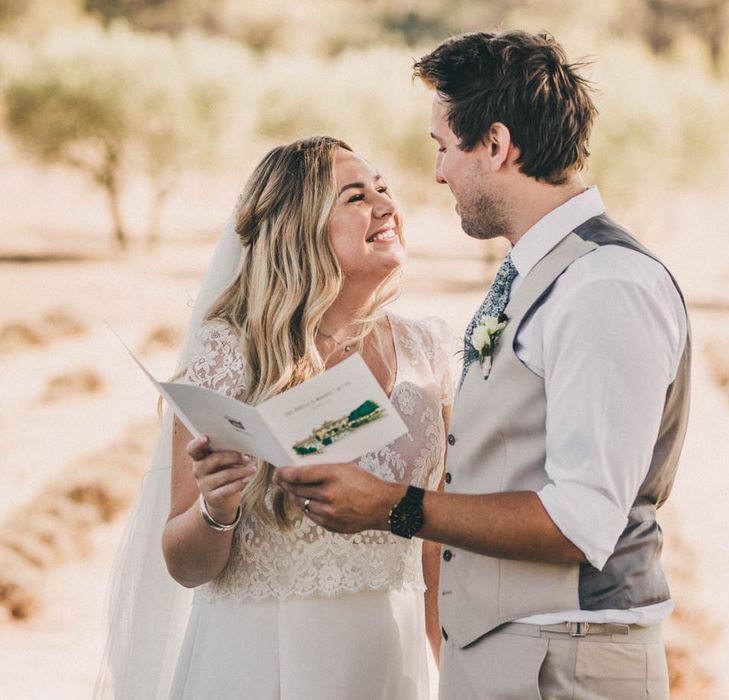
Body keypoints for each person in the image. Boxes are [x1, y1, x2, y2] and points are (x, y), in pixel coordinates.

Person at [274, 31, 691, 699]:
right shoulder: (542, 270)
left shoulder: (602, 285)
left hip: (565, 658)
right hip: (516, 650)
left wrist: (394, 507)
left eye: (443, 147)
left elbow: (581, 522)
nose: (438, 173)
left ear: (495, 145)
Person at [98, 135, 456, 700]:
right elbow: (185, 566)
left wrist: (452, 677)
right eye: (356, 197)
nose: (387, 206)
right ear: (301, 226)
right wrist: (216, 507)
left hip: (388, 660)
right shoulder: (228, 358)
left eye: (384, 189)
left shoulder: (427, 353)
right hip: (259, 660)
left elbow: (436, 550)